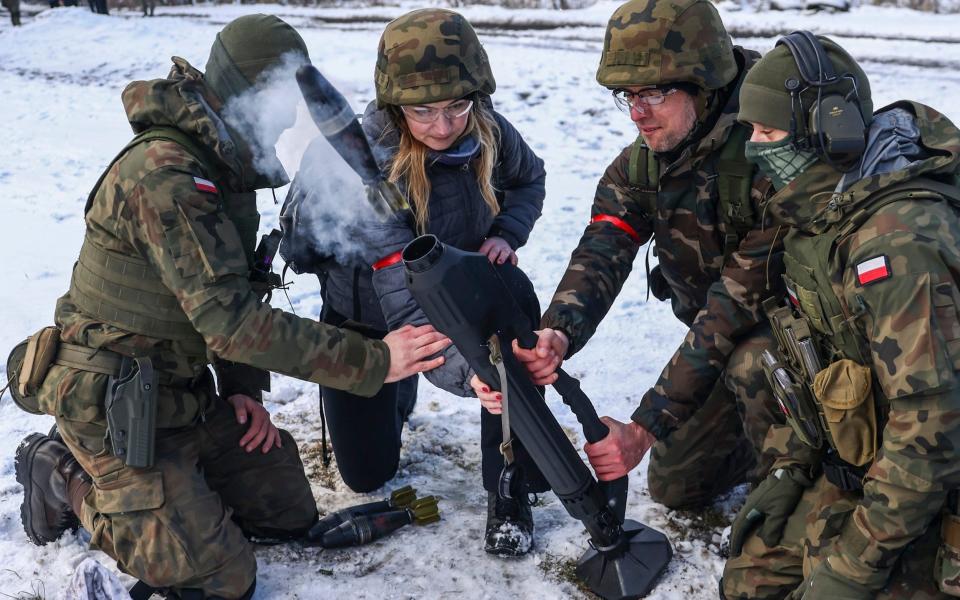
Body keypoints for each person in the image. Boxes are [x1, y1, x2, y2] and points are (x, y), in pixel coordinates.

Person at [13, 15, 447, 600]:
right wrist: (374, 362)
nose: (291, 121)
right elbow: (234, 323)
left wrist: (242, 389)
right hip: (111, 400)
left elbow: (233, 294)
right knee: (221, 578)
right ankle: (60, 472)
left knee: (285, 513)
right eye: (282, 101)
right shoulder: (168, 177)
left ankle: (174, 498)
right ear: (249, 96)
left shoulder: (220, 168)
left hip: (178, 393)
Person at [474, 0, 787, 510]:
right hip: (723, 347)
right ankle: (760, 443)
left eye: (655, 94)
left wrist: (645, 427)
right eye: (628, 96)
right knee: (677, 485)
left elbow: (732, 307)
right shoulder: (643, 166)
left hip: (804, 346)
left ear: (703, 84)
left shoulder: (771, 151)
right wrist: (558, 331)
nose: (637, 113)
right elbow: (603, 248)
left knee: (756, 360)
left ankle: (807, 470)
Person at [280, 8, 548, 557]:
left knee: (504, 364)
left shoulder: (490, 127)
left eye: (457, 107)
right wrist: (458, 370)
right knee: (367, 475)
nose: (444, 127)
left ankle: (509, 490)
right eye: (423, 111)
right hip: (369, 322)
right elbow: (404, 300)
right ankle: (393, 389)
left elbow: (529, 180)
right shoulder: (363, 164)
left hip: (466, 296)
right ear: (393, 104)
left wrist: (505, 234)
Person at [720, 32, 960, 599]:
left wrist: (854, 568)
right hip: (880, 457)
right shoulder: (826, 211)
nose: (754, 149)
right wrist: (791, 467)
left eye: (768, 132)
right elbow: (821, 362)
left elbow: (932, 427)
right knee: (748, 585)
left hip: (938, 473)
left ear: (829, 131)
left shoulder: (899, 243)